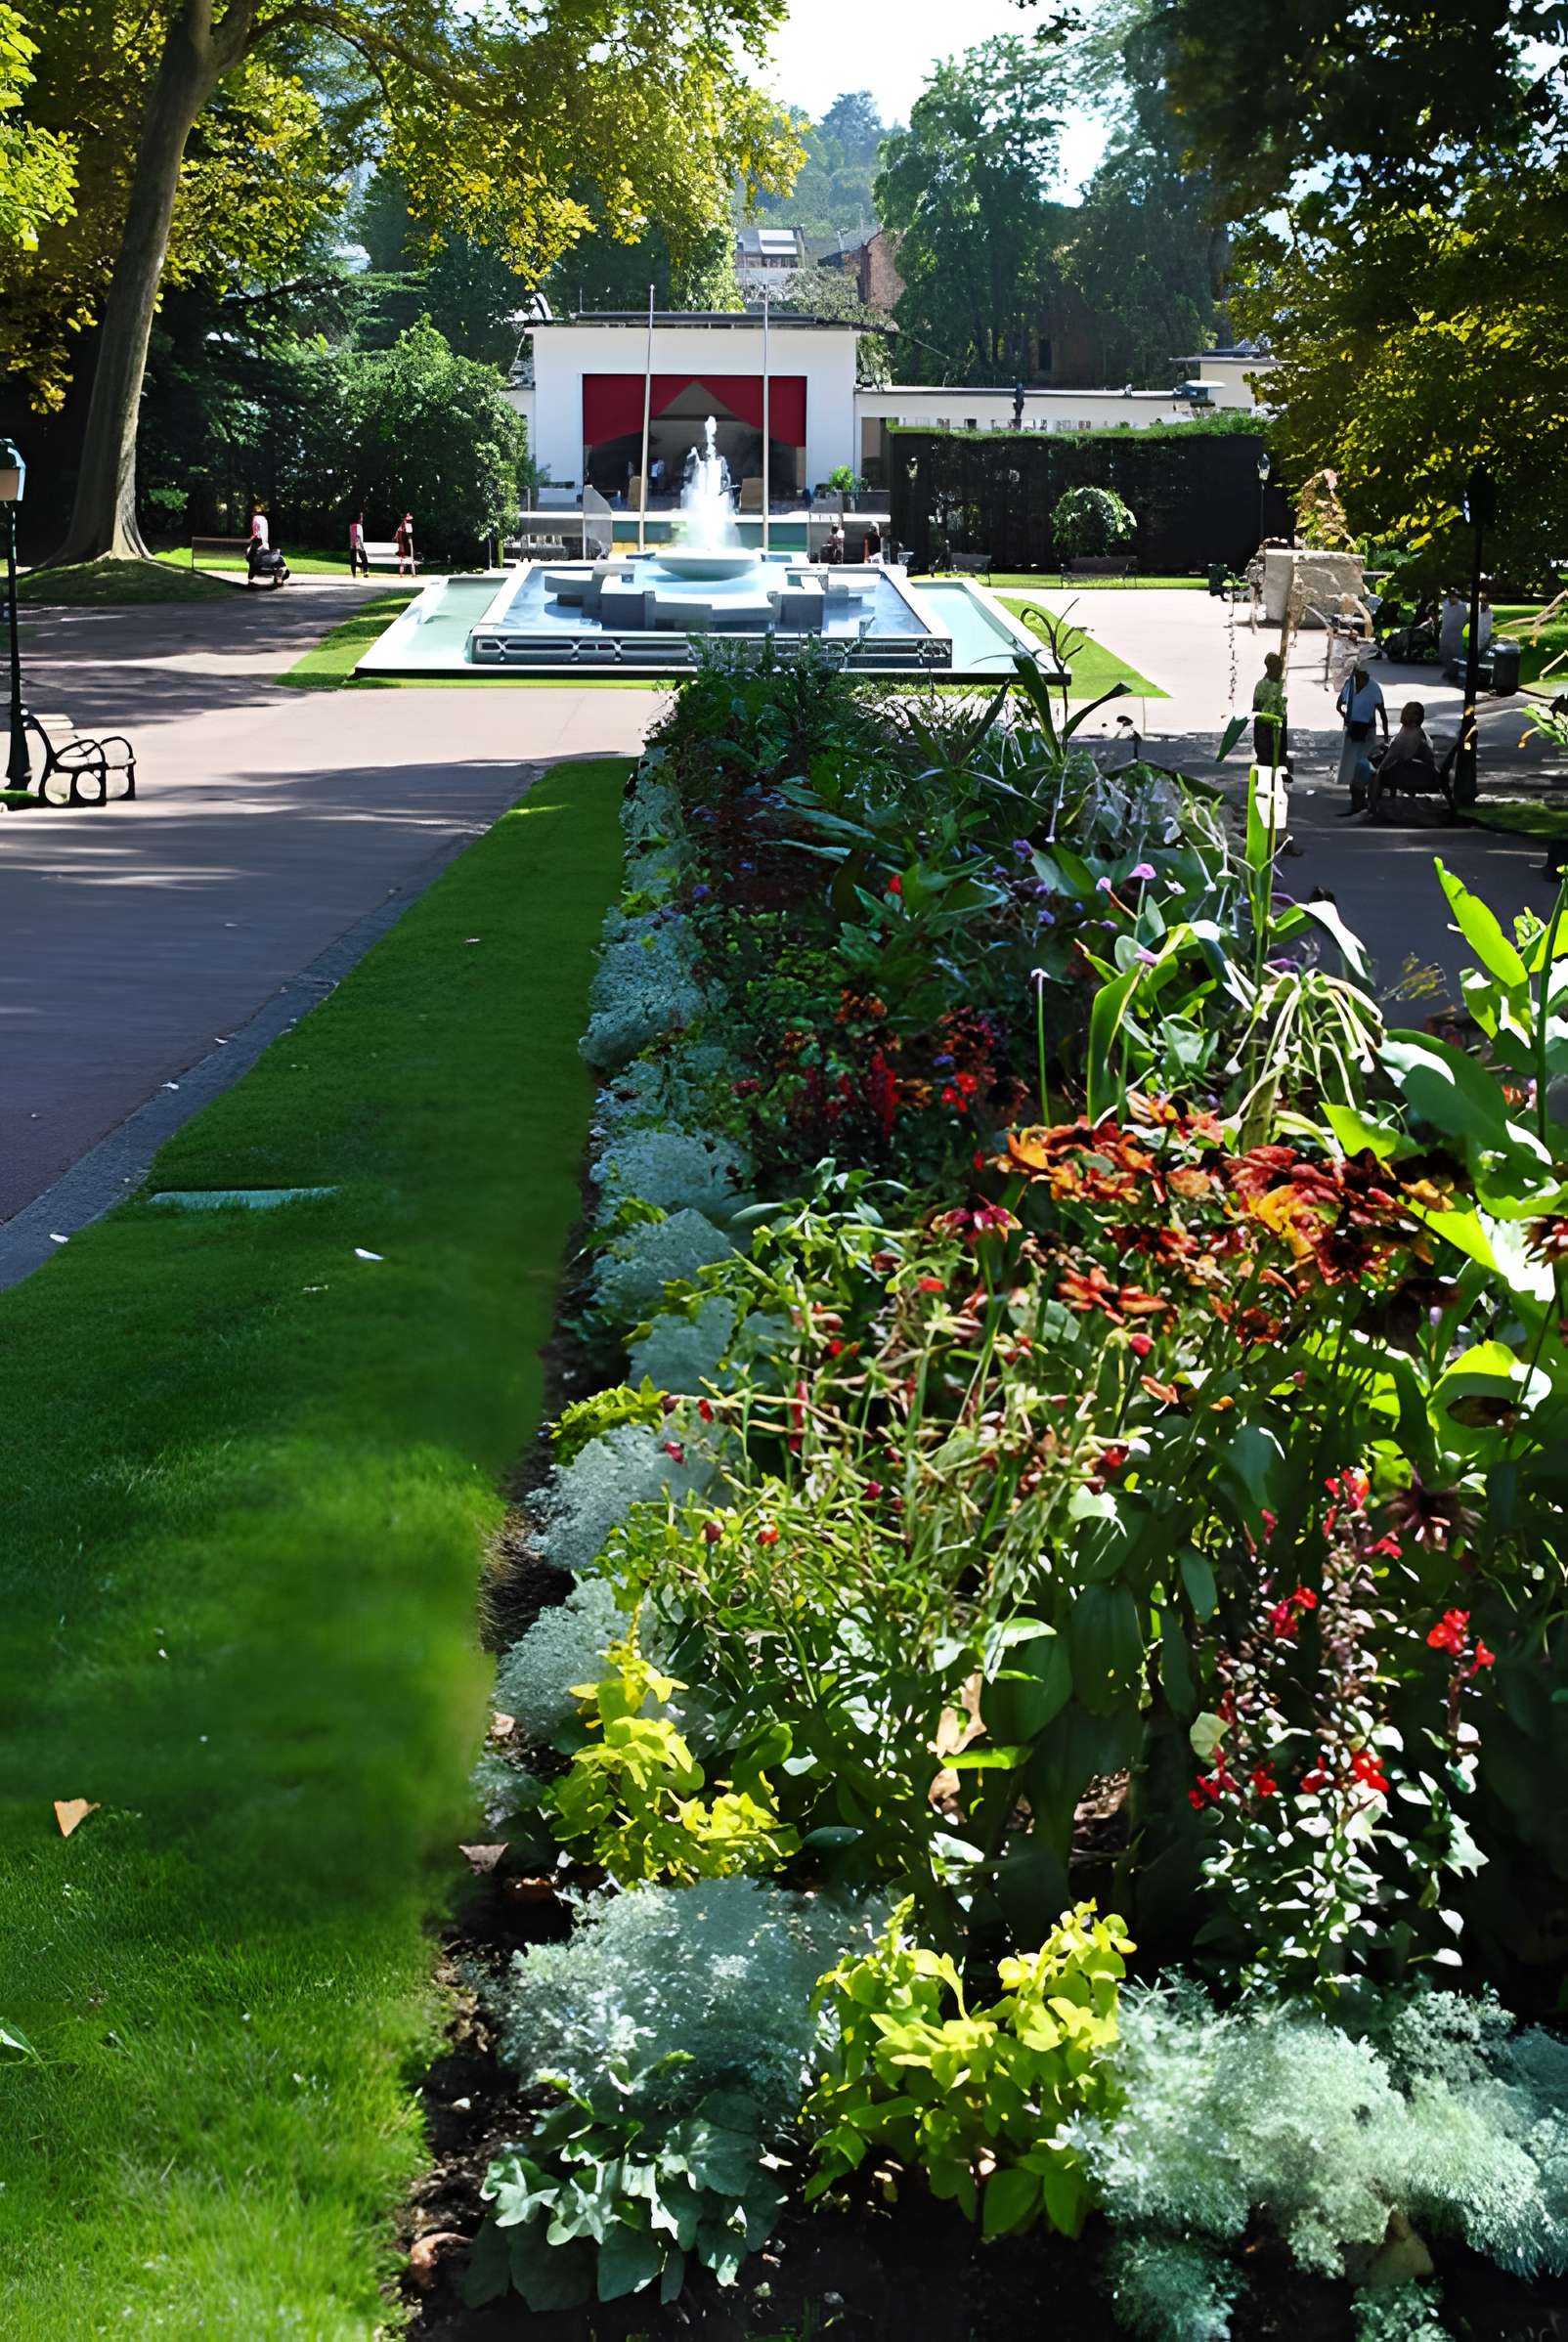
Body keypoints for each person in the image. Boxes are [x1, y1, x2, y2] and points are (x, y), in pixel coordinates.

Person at [1362, 700, 1437, 818]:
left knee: (1377, 772)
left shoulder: (1409, 733)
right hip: (1425, 774)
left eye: (1414, 714)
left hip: (1409, 775)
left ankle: (1372, 807)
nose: (1412, 717)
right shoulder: (1420, 733)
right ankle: (1374, 806)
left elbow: (1396, 756)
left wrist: (1383, 765)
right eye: (1411, 713)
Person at [1335, 660, 1388, 801]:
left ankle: (1363, 795)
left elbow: (1382, 713)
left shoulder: (1374, 687)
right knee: (1353, 765)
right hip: (1352, 729)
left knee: (1364, 763)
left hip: (1367, 730)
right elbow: (1339, 705)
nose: (1358, 678)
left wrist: (1386, 736)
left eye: (1361, 675)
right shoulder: (1349, 684)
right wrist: (1346, 717)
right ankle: (1356, 797)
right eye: (1357, 675)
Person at [1251, 651, 1289, 772]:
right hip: (1265, 725)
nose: (1279, 670)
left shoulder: (1281, 685)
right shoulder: (1262, 685)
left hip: (1278, 723)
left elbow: (1283, 705)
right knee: (1266, 755)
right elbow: (1257, 707)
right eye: (1276, 667)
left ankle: (1278, 769)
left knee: (1278, 752)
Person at [1438, 587, 1466, 678]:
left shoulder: (1461, 607)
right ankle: (1448, 670)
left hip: (1456, 634)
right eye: (1450, 597)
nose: (1451, 599)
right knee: (1445, 652)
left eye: (1453, 597)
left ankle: (1454, 671)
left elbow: (1462, 620)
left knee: (1456, 653)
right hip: (1446, 633)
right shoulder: (1446, 606)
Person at [348, 512, 369, 578]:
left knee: (353, 559)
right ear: (358, 518)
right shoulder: (359, 526)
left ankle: (354, 574)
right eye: (361, 517)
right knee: (364, 558)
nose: (362, 519)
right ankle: (365, 572)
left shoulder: (351, 526)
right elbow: (359, 536)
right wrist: (361, 546)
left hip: (352, 545)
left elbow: (352, 536)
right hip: (358, 545)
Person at [395, 511, 414, 576]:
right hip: (404, 545)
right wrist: (409, 540)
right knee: (407, 556)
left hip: (401, 545)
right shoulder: (407, 525)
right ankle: (411, 572)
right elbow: (409, 536)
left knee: (402, 557)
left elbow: (397, 536)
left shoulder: (401, 526)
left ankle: (402, 572)